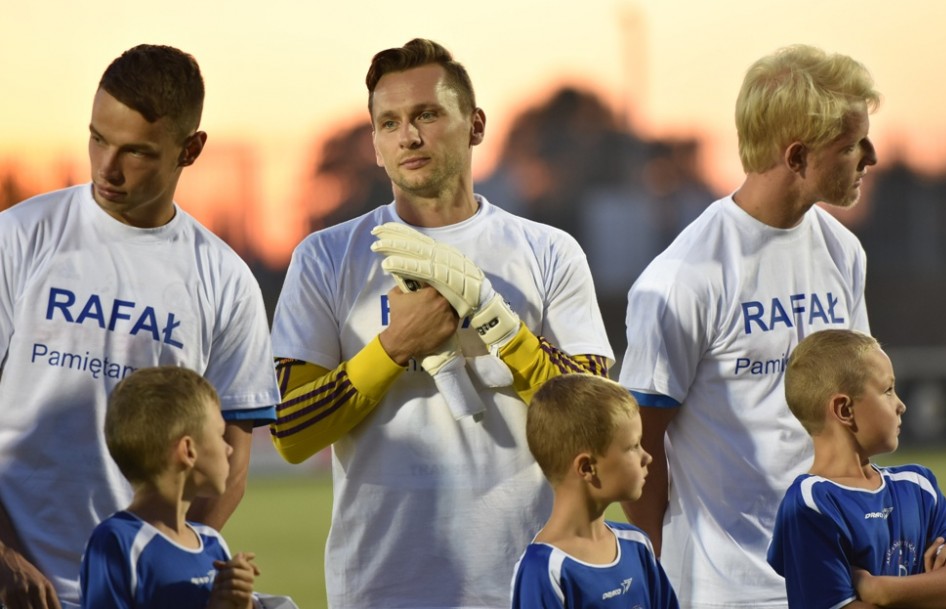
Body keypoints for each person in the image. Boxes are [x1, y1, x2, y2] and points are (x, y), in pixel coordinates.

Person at [269, 38, 614, 609]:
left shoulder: (550, 251)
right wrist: (394, 346)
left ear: (475, 125)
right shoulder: (326, 257)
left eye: (427, 115)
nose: (408, 136)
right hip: (379, 588)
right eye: (389, 123)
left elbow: (600, 425)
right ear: (375, 144)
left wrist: (499, 324)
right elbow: (291, 431)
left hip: (526, 582)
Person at [0, 45, 280, 609]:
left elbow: (231, 459)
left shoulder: (225, 280)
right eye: (97, 139)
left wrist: (172, 574)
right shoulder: (18, 238)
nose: (107, 167)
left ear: (190, 149)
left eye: (136, 151)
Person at [619, 44, 880, 608]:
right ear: (797, 156)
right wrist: (670, 564)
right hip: (725, 591)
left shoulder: (843, 252)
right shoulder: (682, 278)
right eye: (851, 145)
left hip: (835, 581)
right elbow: (638, 442)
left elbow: (858, 413)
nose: (871, 156)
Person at [768, 329, 946, 608]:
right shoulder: (811, 505)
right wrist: (934, 591)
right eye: (888, 391)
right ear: (844, 410)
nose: (901, 405)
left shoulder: (918, 485)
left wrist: (882, 590)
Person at [79, 367, 259, 608]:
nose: (229, 449)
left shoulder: (212, 543)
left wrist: (242, 603)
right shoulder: (116, 541)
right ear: (188, 451)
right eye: (220, 435)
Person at [511, 374, 679, 609]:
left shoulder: (637, 543)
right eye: (633, 446)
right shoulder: (544, 568)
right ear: (587, 468)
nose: (647, 457)